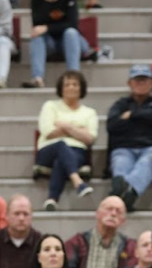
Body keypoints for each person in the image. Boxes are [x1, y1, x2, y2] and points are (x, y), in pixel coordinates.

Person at [106, 65, 152, 212]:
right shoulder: (121, 104)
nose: (140, 83)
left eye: (144, 80)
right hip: (124, 148)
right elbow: (112, 125)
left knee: (148, 161)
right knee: (120, 162)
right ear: (129, 83)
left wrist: (132, 115)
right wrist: (148, 118)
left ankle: (123, 196)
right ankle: (123, 194)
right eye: (137, 80)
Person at [35, 70, 97, 211]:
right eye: (67, 84)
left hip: (77, 152)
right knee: (61, 145)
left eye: (75, 84)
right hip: (48, 150)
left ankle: (52, 199)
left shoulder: (90, 112)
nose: (71, 88)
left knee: (61, 160)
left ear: (81, 88)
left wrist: (65, 126)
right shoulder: (50, 106)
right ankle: (77, 181)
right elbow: (47, 131)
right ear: (61, 88)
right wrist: (78, 130)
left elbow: (90, 138)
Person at [65, 196, 137, 268]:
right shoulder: (77, 241)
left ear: (123, 221)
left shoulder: (130, 247)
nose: (113, 213)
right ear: (97, 213)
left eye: (118, 211)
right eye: (109, 209)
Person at [23, 0, 91, 89]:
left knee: (70, 33)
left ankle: (74, 76)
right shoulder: (37, 2)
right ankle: (37, 78)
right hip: (50, 42)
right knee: (37, 36)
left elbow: (72, 24)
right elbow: (37, 25)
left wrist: (47, 27)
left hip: (73, 42)